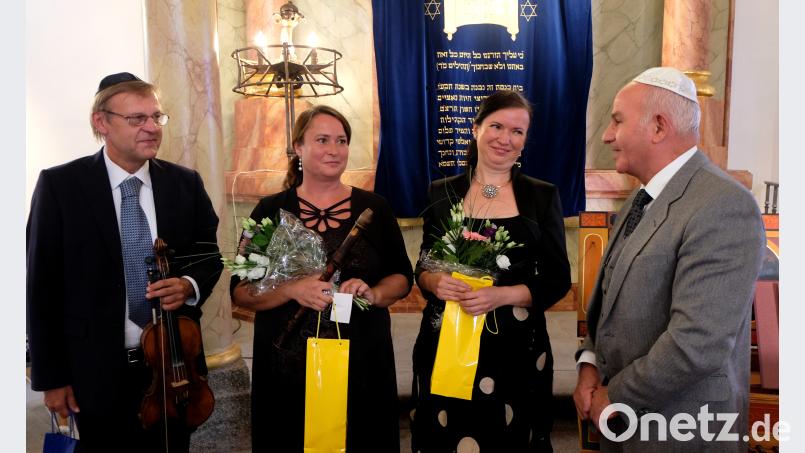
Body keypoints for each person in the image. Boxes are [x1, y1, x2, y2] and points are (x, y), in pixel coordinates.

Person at [27, 72, 223, 452]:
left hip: (171, 369)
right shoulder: (61, 186)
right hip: (94, 372)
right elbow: (41, 287)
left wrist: (188, 285)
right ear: (102, 122)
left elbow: (208, 256)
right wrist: (50, 378)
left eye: (156, 117)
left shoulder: (185, 183)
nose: (152, 128)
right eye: (137, 119)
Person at [573, 67, 765, 452]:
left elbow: (698, 341)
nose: (608, 136)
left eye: (617, 121)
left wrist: (616, 395)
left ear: (658, 127)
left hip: (683, 429)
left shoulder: (723, 204)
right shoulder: (642, 197)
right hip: (629, 426)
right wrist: (590, 364)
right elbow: (610, 302)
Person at [230, 105, 413, 452]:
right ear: (298, 147)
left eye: (341, 141)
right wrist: (292, 289)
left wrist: (372, 292)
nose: (334, 149)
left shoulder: (375, 208)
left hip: (361, 361)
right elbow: (239, 292)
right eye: (322, 140)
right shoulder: (269, 210)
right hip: (288, 367)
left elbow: (402, 277)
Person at [411, 90, 571, 452]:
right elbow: (423, 264)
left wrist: (502, 295)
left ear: (525, 141)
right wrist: (435, 281)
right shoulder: (442, 192)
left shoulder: (541, 196)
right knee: (447, 435)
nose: (505, 138)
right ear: (476, 128)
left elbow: (557, 278)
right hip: (445, 340)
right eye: (496, 126)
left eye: (517, 131)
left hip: (515, 347)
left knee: (509, 438)